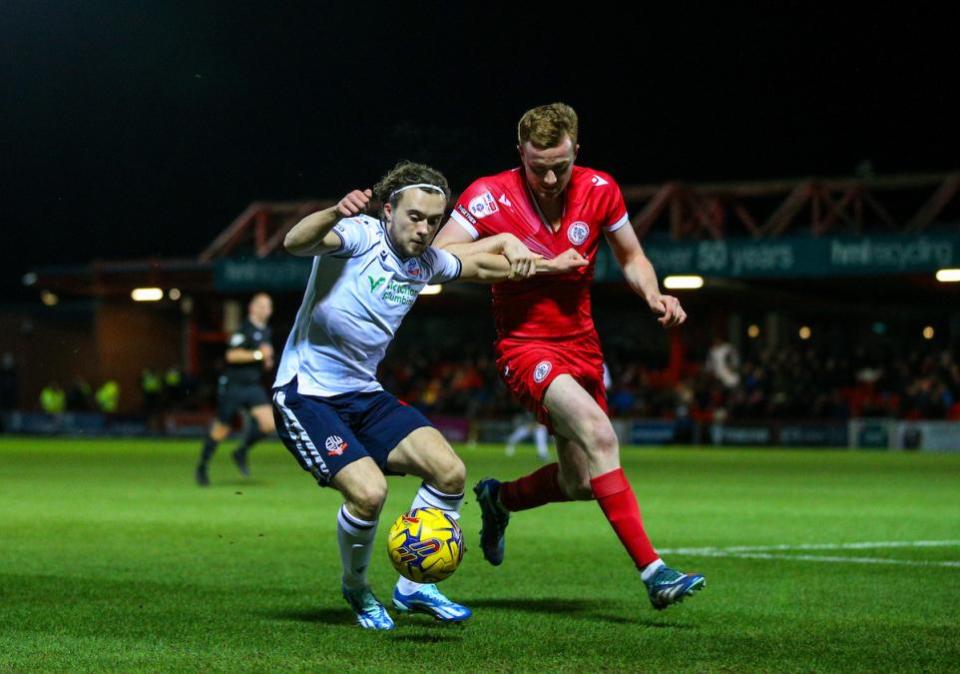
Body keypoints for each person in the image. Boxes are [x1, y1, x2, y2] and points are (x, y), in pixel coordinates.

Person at [272, 160, 586, 630]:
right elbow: (295, 242)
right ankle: (357, 589)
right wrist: (335, 211)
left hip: (363, 394)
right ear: (389, 209)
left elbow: (482, 263)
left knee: (450, 472)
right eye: (414, 217)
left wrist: (545, 262)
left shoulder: (427, 262)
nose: (423, 229)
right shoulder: (358, 234)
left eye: (433, 221)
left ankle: (414, 587)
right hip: (307, 395)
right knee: (370, 494)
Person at [433, 102, 705, 610]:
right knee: (602, 435)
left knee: (580, 482)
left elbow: (632, 256)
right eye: (538, 167)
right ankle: (655, 572)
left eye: (561, 164)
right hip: (524, 346)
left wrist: (653, 294)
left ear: (577, 149)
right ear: (520, 155)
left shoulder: (601, 189)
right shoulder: (488, 196)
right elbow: (439, 263)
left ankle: (499, 498)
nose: (551, 177)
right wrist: (526, 259)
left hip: (583, 346)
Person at [196, 292, 276, 486]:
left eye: (269, 306)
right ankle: (203, 466)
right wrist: (258, 355)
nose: (266, 310)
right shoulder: (244, 329)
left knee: (270, 424)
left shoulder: (266, 331)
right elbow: (232, 356)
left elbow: (262, 359)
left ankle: (241, 451)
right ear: (252, 308)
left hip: (252, 386)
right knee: (222, 429)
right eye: (262, 306)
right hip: (234, 386)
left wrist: (267, 361)